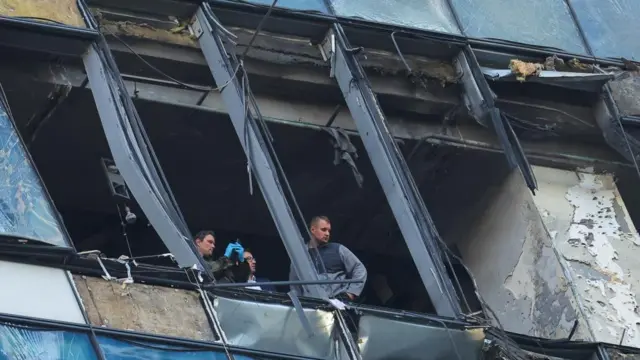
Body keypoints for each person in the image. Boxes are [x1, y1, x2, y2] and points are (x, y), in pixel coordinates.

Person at [289, 216, 367, 300]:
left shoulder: (339, 249)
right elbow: (294, 282)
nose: (327, 233)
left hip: (336, 305)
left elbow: (360, 269)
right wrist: (299, 301)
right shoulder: (300, 254)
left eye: (329, 230)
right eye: (323, 229)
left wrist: (350, 293)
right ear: (313, 230)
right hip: (310, 306)